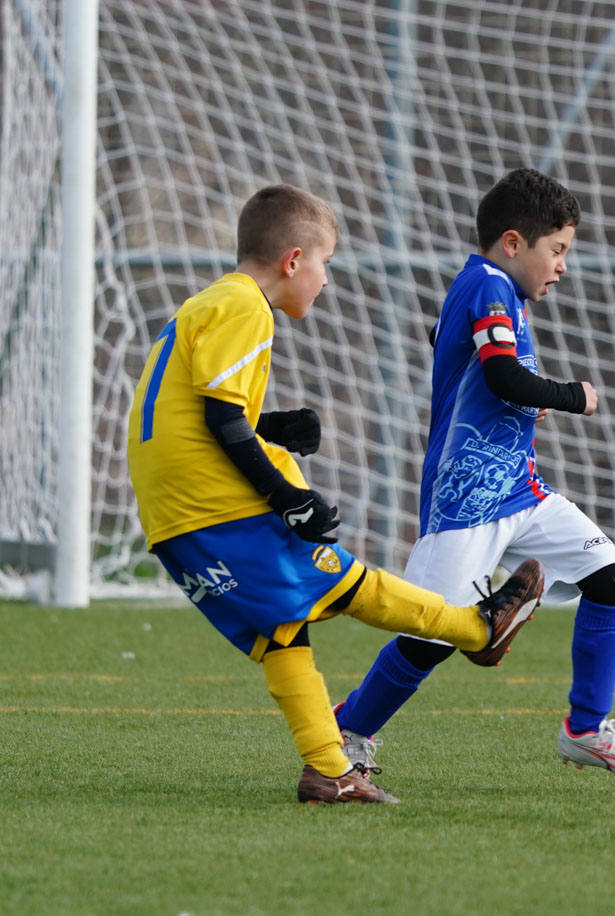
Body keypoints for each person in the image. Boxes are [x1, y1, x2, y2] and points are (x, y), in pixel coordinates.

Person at [126, 184, 545, 805]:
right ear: (293, 260)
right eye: (325, 263)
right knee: (350, 584)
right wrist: (284, 496)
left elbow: (196, 414)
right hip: (215, 508)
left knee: (283, 631)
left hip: (173, 516)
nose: (325, 280)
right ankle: (477, 630)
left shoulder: (204, 305)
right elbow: (220, 419)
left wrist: (271, 428)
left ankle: (328, 771)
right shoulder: (245, 306)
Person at [332, 168, 615, 783]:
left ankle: (586, 730)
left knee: (609, 575)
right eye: (557, 250)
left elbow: (478, 366)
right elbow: (502, 375)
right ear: (514, 244)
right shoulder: (487, 282)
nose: (562, 266)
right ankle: (346, 733)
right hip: (464, 500)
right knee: (429, 636)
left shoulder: (495, 293)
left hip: (521, 490)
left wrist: (517, 397)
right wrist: (572, 395)